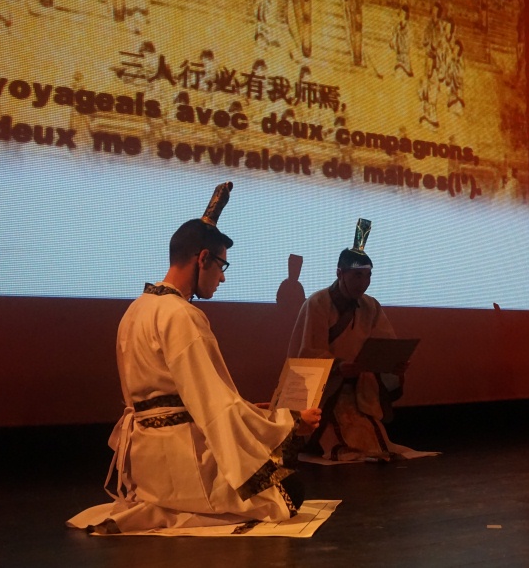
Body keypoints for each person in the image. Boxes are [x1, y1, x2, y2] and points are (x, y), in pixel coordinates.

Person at [68, 182, 321, 534]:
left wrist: (253, 411)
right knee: (289, 491)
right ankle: (182, 504)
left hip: (144, 464)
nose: (222, 277)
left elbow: (183, 398)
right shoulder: (181, 315)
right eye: (222, 265)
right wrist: (289, 422)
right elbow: (215, 408)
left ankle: (164, 499)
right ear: (202, 258)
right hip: (182, 460)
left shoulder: (135, 310)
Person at [289, 219, 411, 461]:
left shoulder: (371, 306)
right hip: (327, 392)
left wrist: (393, 365)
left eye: (367, 276)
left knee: (374, 442)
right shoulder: (318, 303)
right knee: (341, 444)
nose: (363, 283)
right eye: (357, 276)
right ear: (339, 273)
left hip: (358, 391)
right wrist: (338, 366)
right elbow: (307, 353)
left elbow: (385, 345)